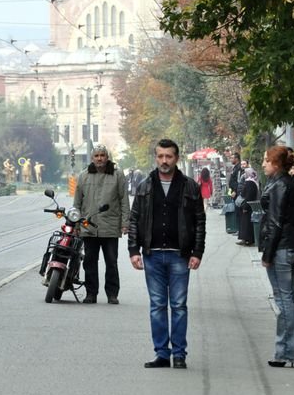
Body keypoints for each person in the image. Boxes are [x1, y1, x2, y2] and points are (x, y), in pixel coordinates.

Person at [129, 139, 206, 369]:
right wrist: (133, 250)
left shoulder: (189, 186)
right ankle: (162, 354)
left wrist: (197, 252)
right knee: (157, 305)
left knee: (179, 305)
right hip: (152, 255)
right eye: (160, 156)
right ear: (156, 158)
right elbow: (134, 219)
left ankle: (179, 354)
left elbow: (199, 221)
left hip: (180, 255)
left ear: (176, 158)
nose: (164, 161)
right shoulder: (145, 186)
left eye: (169, 156)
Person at [259, 146, 294, 367]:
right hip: (287, 245)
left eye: (266, 160)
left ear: (276, 164)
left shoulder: (280, 185)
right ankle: (290, 351)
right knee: (288, 298)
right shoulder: (284, 183)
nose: (263, 164)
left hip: (281, 247)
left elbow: (275, 222)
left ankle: (285, 351)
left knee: (284, 299)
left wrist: (267, 254)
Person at [73, 144, 130, 304]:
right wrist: (76, 225)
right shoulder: (83, 176)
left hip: (110, 226)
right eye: (96, 156)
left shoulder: (117, 175)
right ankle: (91, 294)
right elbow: (77, 203)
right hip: (88, 226)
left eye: (102, 155)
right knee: (89, 262)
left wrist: (125, 223)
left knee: (111, 262)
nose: (99, 158)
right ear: (92, 158)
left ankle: (112, 294)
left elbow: (124, 200)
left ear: (107, 157)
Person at [236, 167, 260, 246]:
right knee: (246, 224)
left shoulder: (250, 183)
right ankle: (246, 239)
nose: (244, 175)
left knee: (246, 224)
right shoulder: (253, 181)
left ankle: (247, 240)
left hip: (248, 206)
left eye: (246, 173)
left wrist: (245, 207)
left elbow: (249, 196)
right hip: (250, 206)